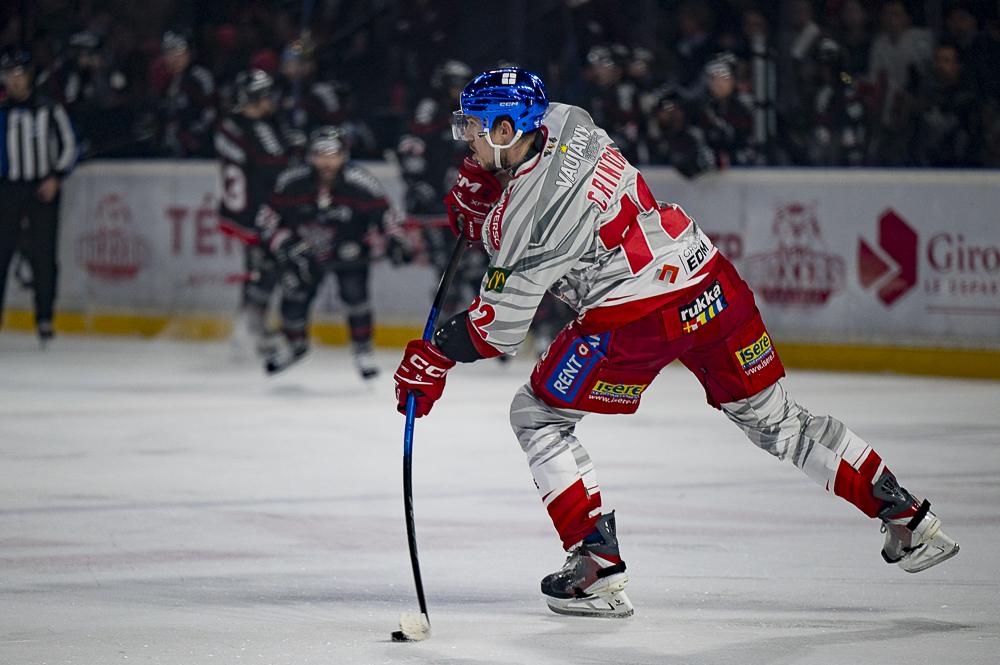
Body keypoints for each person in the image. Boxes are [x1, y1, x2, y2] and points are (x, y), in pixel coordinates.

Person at [392, 67, 960, 619]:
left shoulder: (527, 221)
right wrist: (493, 192)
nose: (465, 138)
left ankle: (596, 567)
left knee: (536, 415)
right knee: (780, 422)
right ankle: (908, 517)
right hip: (707, 279)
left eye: (473, 126)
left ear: (506, 129)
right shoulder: (569, 119)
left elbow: (497, 329)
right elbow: (539, 182)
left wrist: (435, 353)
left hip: (635, 316)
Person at [258, 126, 412, 377]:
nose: (326, 162)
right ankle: (295, 345)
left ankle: (363, 351)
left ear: (344, 155)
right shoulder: (291, 183)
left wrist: (396, 240)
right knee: (294, 296)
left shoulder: (360, 182)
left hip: (348, 250)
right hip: (303, 253)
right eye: (320, 155)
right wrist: (286, 248)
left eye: (332, 155)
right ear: (310, 156)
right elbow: (267, 221)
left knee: (355, 295)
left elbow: (387, 215)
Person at [0, 49, 77, 345]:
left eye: (19, 74)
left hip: (42, 189)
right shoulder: (2, 111)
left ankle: (44, 317)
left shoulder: (48, 108)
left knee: (44, 254)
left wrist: (55, 177)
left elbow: (69, 145)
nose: (14, 81)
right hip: (7, 189)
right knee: (1, 254)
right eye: (9, 75)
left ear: (29, 76)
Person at [214, 69, 290, 356]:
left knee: (259, 271)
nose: (272, 101)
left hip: (237, 211)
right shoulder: (258, 128)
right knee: (265, 272)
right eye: (267, 96)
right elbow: (278, 167)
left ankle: (249, 328)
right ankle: (249, 332)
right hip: (258, 212)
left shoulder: (228, 124)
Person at [158, 31, 216, 158]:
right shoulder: (169, 81)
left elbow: (210, 110)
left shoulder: (199, 77)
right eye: (168, 52)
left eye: (177, 51)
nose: (172, 57)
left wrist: (194, 135)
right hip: (173, 149)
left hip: (197, 149)